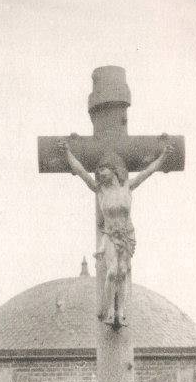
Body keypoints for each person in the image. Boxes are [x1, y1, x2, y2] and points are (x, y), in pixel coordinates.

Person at [61, 138, 172, 327]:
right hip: (111, 235)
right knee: (112, 272)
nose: (99, 173)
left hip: (127, 235)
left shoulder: (127, 187)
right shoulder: (100, 191)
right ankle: (108, 311)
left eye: (103, 170)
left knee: (123, 271)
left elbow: (148, 172)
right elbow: (80, 171)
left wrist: (163, 156)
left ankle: (120, 313)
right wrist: (67, 153)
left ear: (113, 171)